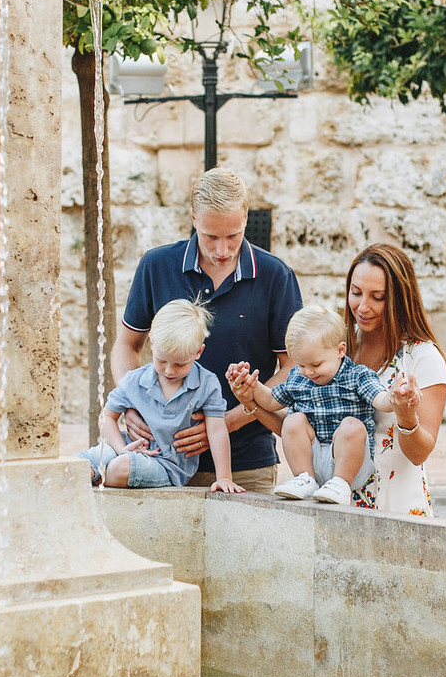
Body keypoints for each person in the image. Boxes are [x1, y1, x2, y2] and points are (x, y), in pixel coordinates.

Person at [114, 168, 302, 493]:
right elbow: (127, 346)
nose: (223, 250)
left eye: (233, 235)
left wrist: (227, 421)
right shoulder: (155, 266)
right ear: (193, 218)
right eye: (210, 236)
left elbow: (293, 368)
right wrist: (131, 405)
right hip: (157, 457)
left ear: (245, 217)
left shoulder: (276, 276)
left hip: (246, 466)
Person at [232, 305, 396, 505]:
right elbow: (270, 401)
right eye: (301, 365)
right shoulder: (298, 379)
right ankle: (304, 478)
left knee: (352, 426)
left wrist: (394, 398)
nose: (308, 372)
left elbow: (379, 399)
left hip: (351, 461)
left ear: (340, 350)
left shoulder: (357, 375)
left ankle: (340, 484)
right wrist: (251, 384)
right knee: (293, 420)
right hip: (313, 457)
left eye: (316, 364)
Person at [77, 300, 242, 493]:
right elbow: (108, 417)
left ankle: (101, 476)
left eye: (180, 364)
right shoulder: (135, 380)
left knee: (119, 467)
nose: (169, 371)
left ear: (198, 352)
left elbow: (216, 430)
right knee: (81, 465)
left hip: (167, 465)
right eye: (161, 360)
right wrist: (122, 449)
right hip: (128, 449)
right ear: (152, 345)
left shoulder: (206, 383)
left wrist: (224, 477)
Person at [341, 243, 446, 515]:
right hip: (338, 506)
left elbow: (419, 454)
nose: (362, 307)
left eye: (377, 297)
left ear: (399, 298)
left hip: (396, 508)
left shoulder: (423, 357)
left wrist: (406, 418)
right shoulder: (341, 344)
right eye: (356, 293)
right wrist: (254, 400)